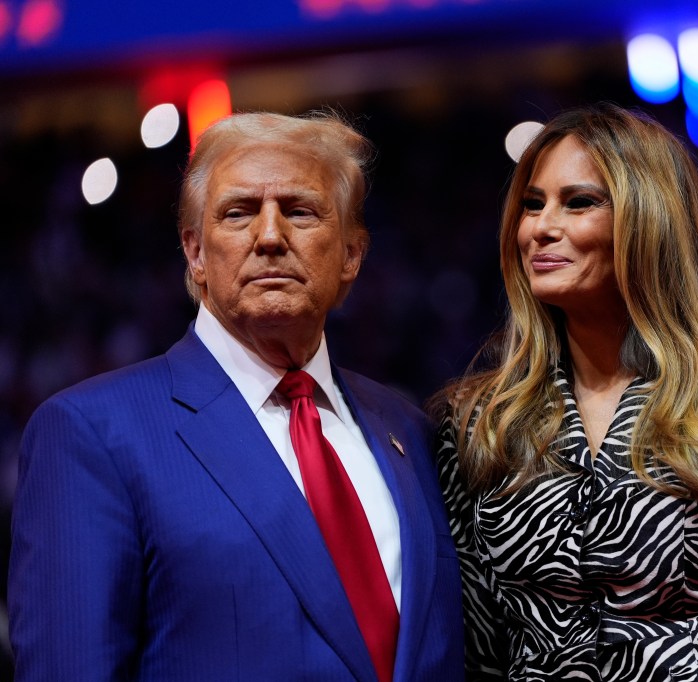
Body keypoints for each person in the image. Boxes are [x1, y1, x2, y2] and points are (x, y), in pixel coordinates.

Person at [9, 111, 464, 681]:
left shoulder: (409, 429)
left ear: (352, 254)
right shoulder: (91, 434)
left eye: (300, 211)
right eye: (238, 213)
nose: (270, 236)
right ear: (195, 253)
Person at [435, 103, 698, 680]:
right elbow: (479, 650)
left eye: (579, 201)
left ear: (649, 218)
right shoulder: (478, 421)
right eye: (532, 205)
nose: (540, 227)